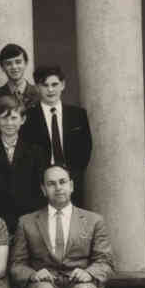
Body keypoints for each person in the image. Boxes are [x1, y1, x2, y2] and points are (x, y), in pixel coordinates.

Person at [22, 66, 93, 205]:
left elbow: (86, 147)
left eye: (54, 84)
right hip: (40, 184)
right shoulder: (28, 117)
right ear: (37, 87)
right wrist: (43, 178)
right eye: (45, 85)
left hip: (70, 182)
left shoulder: (77, 114)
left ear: (63, 85)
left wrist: (71, 177)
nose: (50, 90)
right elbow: (26, 150)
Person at [0, 94, 47, 234]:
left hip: (28, 219)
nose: (9, 123)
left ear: (23, 119)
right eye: (4, 118)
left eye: (14, 118)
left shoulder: (35, 151)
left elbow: (39, 189)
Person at [0, 43, 39, 112]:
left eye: (18, 62)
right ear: (2, 67)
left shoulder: (39, 94)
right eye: (8, 64)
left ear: (26, 63)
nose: (14, 67)